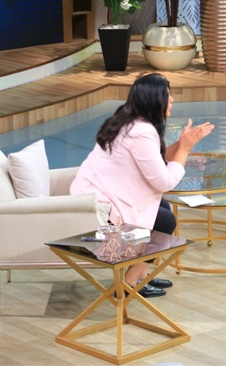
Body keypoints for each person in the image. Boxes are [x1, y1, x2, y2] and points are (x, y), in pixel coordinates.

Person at [71, 73, 214, 297]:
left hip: (98, 194)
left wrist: (182, 144)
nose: (172, 100)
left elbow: (157, 159)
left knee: (162, 207)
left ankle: (142, 274)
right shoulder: (141, 132)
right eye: (167, 95)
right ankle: (129, 283)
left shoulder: (128, 121)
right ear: (154, 100)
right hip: (101, 208)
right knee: (165, 220)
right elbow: (165, 182)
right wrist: (185, 148)